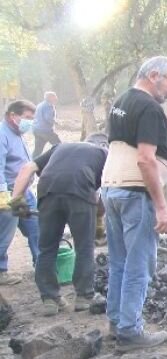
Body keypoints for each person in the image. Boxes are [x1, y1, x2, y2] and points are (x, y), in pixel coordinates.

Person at [101, 56, 167, 351]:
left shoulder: (121, 100)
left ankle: (117, 321)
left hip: (113, 189)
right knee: (139, 265)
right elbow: (146, 159)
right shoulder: (148, 107)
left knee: (120, 261)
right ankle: (130, 331)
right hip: (136, 192)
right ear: (154, 75)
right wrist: (161, 206)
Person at [11, 133, 108, 315]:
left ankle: (49, 298)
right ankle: (84, 297)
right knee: (84, 247)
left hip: (47, 192)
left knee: (46, 248)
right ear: (103, 143)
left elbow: (27, 168)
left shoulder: (60, 147)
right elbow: (103, 191)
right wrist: (98, 220)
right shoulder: (104, 153)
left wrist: (17, 198)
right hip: (80, 192)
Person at [0, 100, 40, 285]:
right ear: (13, 116)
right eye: (27, 118)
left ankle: (41, 266)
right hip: (8, 192)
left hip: (24, 191)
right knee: (4, 233)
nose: (30, 122)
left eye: (32, 119)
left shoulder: (18, 134)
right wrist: (3, 194)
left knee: (35, 226)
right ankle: (1, 271)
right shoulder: (2, 134)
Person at [32, 91, 61, 158]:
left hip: (37, 129)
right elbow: (48, 118)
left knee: (38, 150)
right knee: (59, 146)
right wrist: (55, 122)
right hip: (46, 131)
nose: (56, 98)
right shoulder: (48, 106)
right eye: (54, 96)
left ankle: (32, 162)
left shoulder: (40, 104)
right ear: (50, 98)